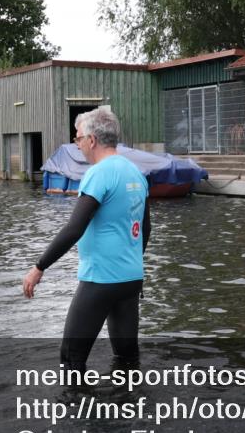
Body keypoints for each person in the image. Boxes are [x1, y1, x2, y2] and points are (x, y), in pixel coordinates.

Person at [23, 108, 151, 372]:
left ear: (92, 140)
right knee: (127, 358)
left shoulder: (99, 173)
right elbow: (146, 228)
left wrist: (39, 266)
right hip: (130, 279)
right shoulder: (135, 172)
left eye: (78, 138)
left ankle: (78, 401)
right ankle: (130, 397)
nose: (77, 144)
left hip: (100, 279)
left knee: (71, 360)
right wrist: (132, 265)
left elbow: (74, 228)